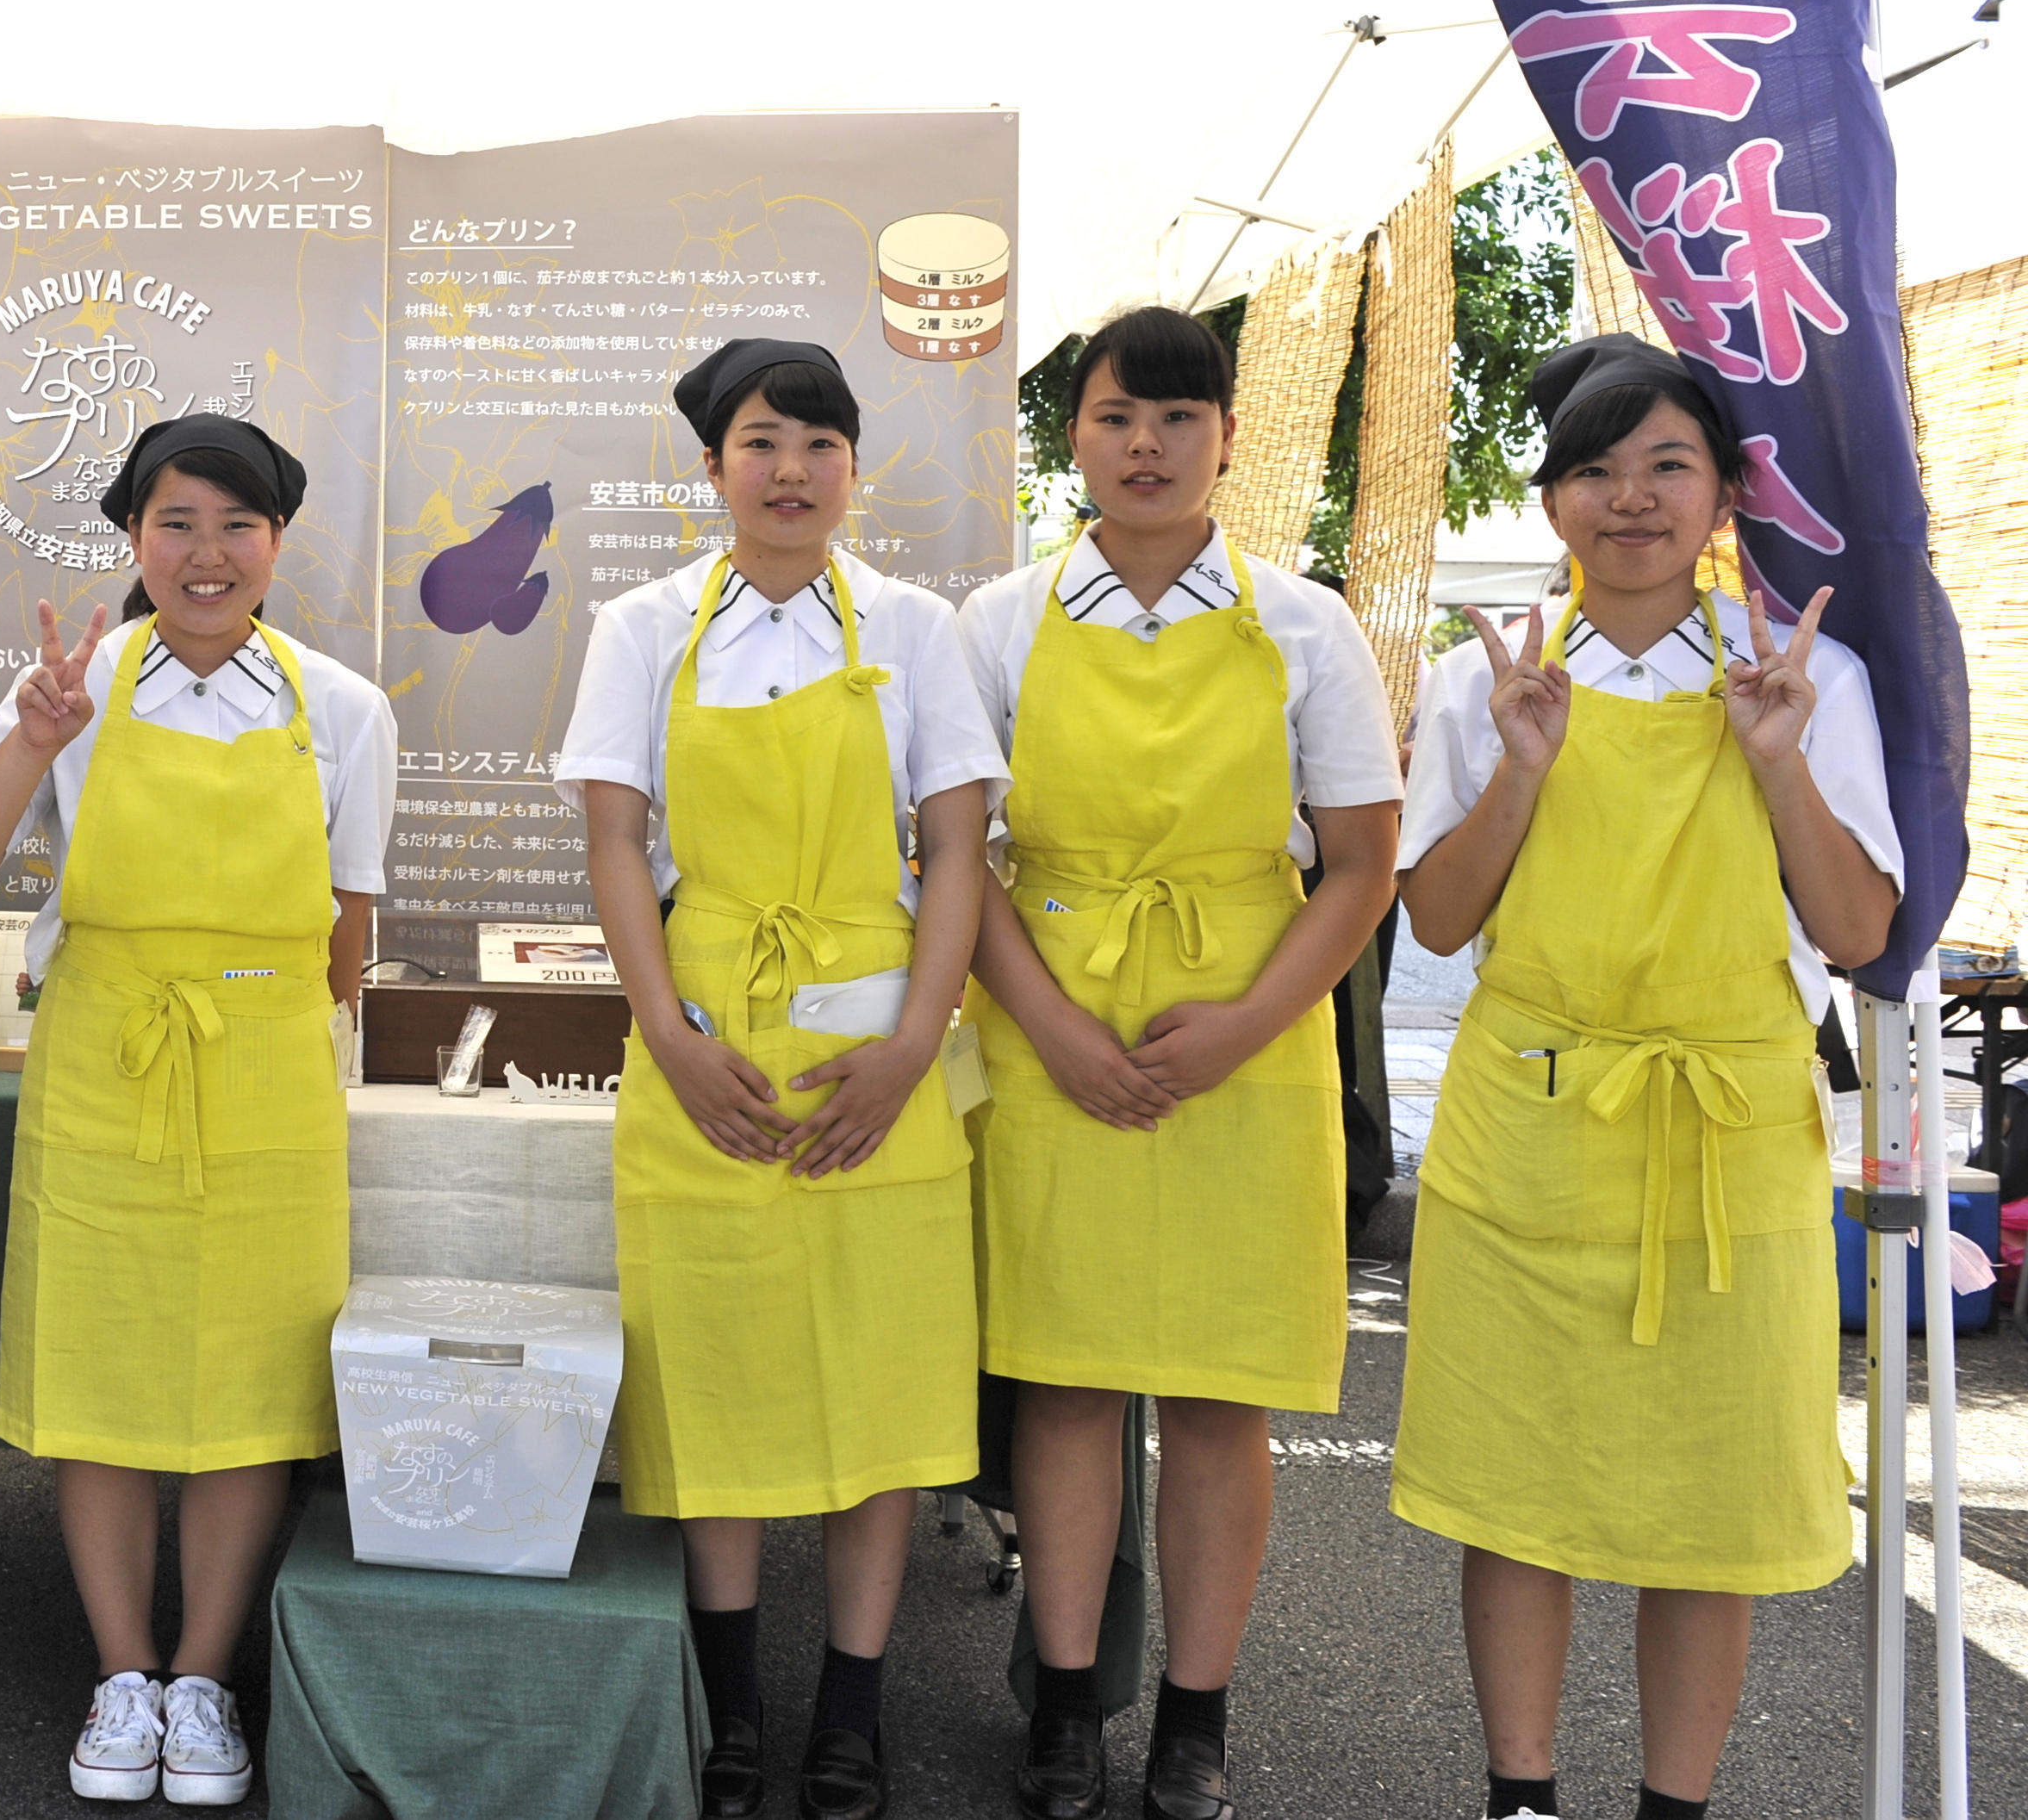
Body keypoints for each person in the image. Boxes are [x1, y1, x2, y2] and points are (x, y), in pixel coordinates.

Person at [1388, 335, 1896, 1820]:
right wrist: (1523, 766)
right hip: (1529, 1135)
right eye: (1595, 469)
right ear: (1551, 499)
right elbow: (1438, 919)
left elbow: (1859, 930)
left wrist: (1779, 758)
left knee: (1708, 1504)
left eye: (1667, 464)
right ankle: (1521, 1798)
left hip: (1728, 1138)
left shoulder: (1807, 675)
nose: (1630, 498)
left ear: (1726, 490)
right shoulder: (1487, 682)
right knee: (1515, 1492)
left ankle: (1675, 1805)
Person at [954, 306, 1403, 1820]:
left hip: (1248, 1039)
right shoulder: (1000, 621)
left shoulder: (1307, 625)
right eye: (1114, 416)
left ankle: (1196, 1720)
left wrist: (1243, 1025)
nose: (1146, 445)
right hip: (1052, 1028)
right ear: (1070, 439)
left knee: (1222, 1395)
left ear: (1226, 437)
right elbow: (957, 858)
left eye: (1178, 417)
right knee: (1068, 1381)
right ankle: (1066, 1703)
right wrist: (1055, 1027)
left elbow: (1360, 865)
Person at [0, 413, 395, 1810]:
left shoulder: (342, 709)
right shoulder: (75, 687)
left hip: (266, 1077)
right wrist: (30, 741)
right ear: (134, 537)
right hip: (106, 1067)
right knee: (105, 1378)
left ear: (278, 544)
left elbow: (348, 938)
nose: (206, 553)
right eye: (176, 522)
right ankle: (121, 1669)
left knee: (251, 1388)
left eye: (238, 525)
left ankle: (203, 1672)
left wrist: (256, 1015)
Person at [557, 339, 1000, 1820]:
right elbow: (616, 840)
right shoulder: (641, 627)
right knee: (719, 1372)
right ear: (713, 468)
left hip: (878, 1050)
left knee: (883, 1382)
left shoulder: (916, 628)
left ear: (854, 466)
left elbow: (955, 848)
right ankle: (732, 1696)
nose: (791, 469)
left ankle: (853, 1705)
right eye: (761, 442)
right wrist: (670, 1037)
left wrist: (917, 1044)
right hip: (712, 1045)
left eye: (819, 443)